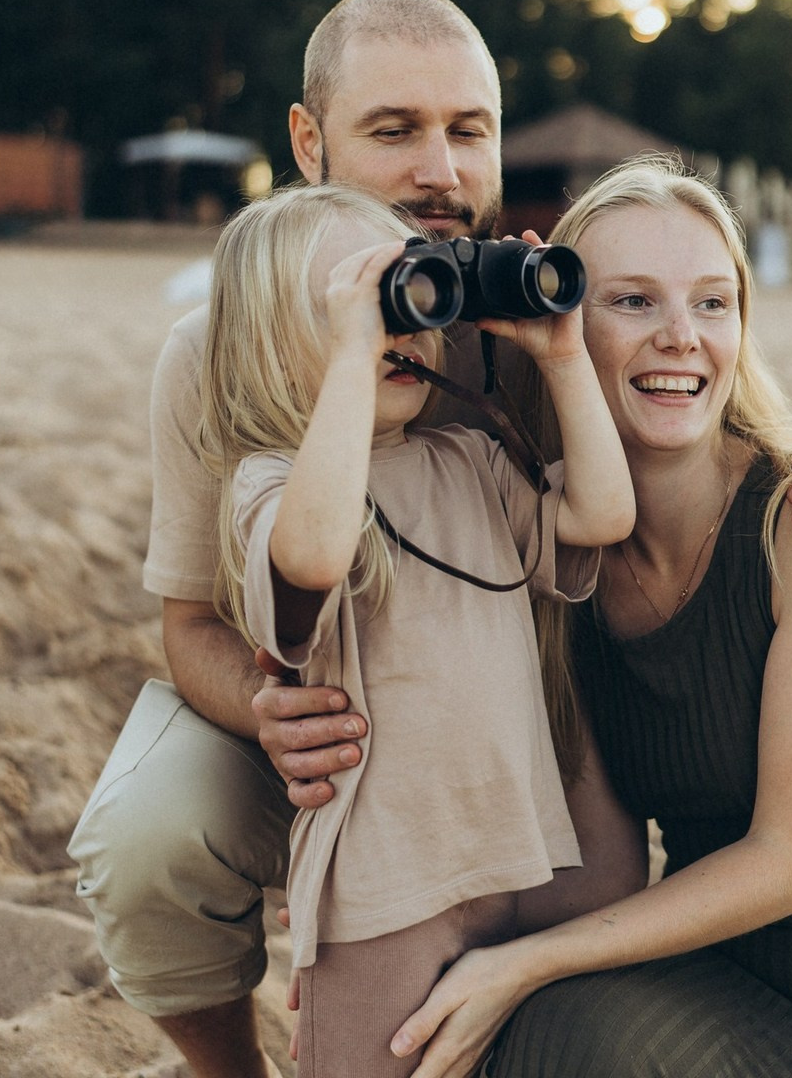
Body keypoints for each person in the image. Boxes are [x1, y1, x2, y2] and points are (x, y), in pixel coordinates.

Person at [67, 0, 792, 1078]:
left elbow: (705, 408)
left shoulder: (523, 311)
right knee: (149, 834)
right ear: (308, 138)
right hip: (322, 716)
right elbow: (192, 615)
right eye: (394, 130)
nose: (439, 169)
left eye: (466, 130)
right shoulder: (227, 347)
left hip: (514, 731)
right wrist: (268, 709)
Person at [384, 156, 792, 1078]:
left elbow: (789, 861)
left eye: (713, 303)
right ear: (560, 318)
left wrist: (521, 963)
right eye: (634, 302)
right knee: (540, 1030)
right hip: (720, 988)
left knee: (564, 1020)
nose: (682, 337)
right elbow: (601, 876)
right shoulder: (560, 555)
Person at [198, 182, 635, 1075]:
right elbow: (312, 561)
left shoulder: (468, 460)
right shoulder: (275, 489)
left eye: (409, 290)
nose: (394, 325)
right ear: (262, 343)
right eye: (358, 299)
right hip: (387, 888)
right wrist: (353, 368)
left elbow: (602, 513)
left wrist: (563, 359)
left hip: (521, 854)